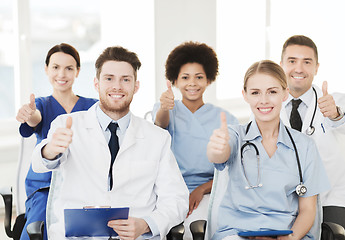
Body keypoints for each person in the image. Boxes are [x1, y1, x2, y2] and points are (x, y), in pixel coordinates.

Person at [31, 46, 189, 239]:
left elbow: (177, 199)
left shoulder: (157, 138)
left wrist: (147, 224)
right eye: (109, 78)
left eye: (125, 80)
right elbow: (39, 165)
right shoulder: (67, 124)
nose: (117, 86)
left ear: (135, 86)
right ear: (96, 83)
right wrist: (50, 150)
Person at [207, 60, 330, 240]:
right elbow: (218, 156)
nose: (264, 100)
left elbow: (308, 210)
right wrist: (217, 148)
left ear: (285, 93)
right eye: (255, 93)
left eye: (272, 92)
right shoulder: (234, 135)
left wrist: (290, 238)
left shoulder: (304, 146)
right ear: (245, 95)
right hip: (237, 233)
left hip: (287, 235)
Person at [152, 41, 239, 239]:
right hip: (170, 189)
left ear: (209, 79)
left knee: (199, 228)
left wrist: (201, 190)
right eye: (185, 77)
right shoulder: (166, 110)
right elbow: (160, 124)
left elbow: (231, 168)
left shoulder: (224, 117)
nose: (192, 83)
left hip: (210, 190)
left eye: (199, 77)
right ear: (174, 80)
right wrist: (165, 106)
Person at [280, 35, 345, 240]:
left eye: (307, 62)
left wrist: (335, 113)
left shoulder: (335, 100)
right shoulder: (270, 103)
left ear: (316, 67)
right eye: (292, 61)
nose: (299, 68)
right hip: (285, 199)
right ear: (281, 65)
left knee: (336, 234)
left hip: (332, 197)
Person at [15, 43, 98, 240]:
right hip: (45, 187)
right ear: (46, 69)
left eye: (69, 68)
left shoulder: (92, 106)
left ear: (78, 71)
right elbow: (36, 118)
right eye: (55, 67)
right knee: (41, 225)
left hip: (83, 184)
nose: (62, 74)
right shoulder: (42, 105)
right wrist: (29, 114)